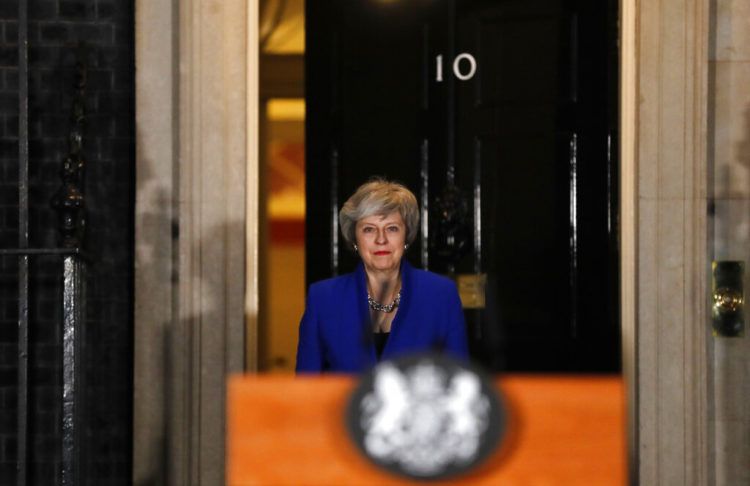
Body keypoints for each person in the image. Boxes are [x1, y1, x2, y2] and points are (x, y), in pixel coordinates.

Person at [295, 178, 469, 373]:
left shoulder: (441, 295)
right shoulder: (323, 298)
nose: (381, 239)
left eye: (392, 228)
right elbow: (305, 389)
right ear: (354, 239)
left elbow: (458, 383)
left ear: (407, 235)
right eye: (369, 229)